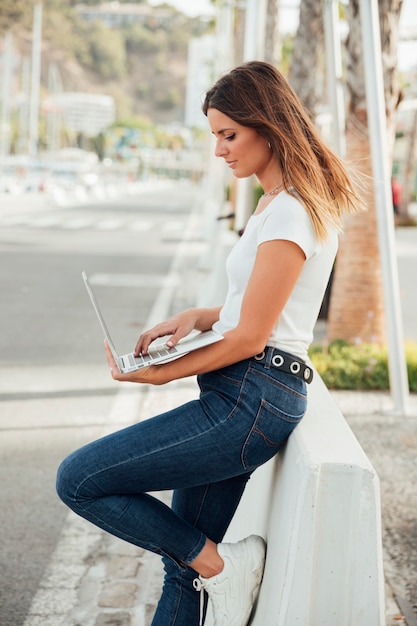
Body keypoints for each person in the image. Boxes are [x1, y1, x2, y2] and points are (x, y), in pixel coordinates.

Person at [56, 61, 361, 626]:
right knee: (184, 566)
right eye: (215, 136)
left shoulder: (292, 211)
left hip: (250, 400)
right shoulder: (276, 203)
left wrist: (160, 374)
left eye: (229, 134)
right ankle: (213, 567)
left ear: (267, 126)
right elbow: (261, 305)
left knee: (78, 480)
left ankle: (222, 567)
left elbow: (251, 335)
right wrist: (199, 317)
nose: (220, 150)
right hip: (245, 394)